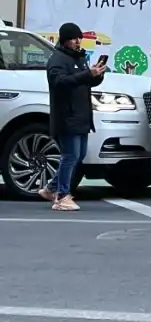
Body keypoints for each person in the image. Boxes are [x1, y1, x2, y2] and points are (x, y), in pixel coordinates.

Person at [40, 23, 105, 211]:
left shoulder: (80, 58)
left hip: (81, 115)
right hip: (66, 116)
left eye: (79, 38)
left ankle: (51, 188)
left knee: (79, 155)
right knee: (70, 155)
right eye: (73, 39)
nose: (78, 42)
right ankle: (62, 196)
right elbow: (60, 82)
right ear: (64, 39)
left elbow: (85, 82)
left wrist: (96, 75)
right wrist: (87, 74)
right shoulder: (57, 59)